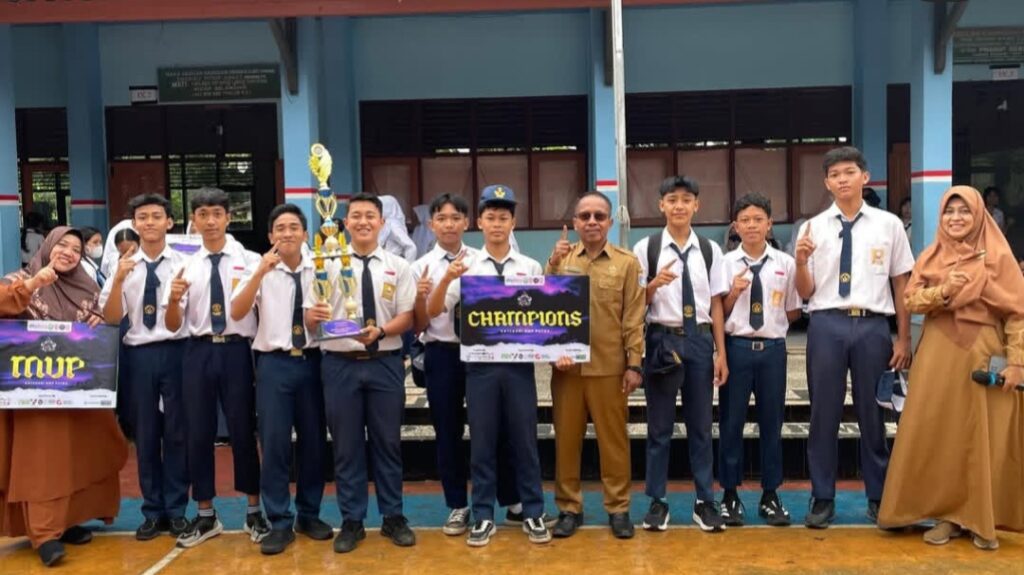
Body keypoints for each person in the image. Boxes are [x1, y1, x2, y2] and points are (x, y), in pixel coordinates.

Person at [878, 186, 1024, 550]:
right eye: (949, 211)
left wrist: (1017, 362)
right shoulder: (931, 256)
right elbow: (911, 300)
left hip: (984, 354)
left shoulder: (999, 258)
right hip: (938, 355)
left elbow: (1017, 314)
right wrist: (944, 291)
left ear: (979, 216)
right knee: (940, 432)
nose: (955, 218)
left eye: (964, 212)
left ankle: (980, 517)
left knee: (983, 435)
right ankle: (946, 515)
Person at [794, 146, 914, 529]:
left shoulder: (889, 225)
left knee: (873, 413)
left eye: (849, 172)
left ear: (865, 176)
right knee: (823, 414)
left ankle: (879, 496)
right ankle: (822, 497)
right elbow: (805, 291)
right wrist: (800, 261)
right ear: (826, 183)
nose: (842, 179)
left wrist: (904, 339)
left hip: (873, 326)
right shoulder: (812, 228)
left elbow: (901, 283)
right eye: (835, 174)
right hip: (826, 324)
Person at [426, 184, 552, 547]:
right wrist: (447, 279)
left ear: (514, 222)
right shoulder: (465, 267)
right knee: (481, 443)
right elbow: (434, 310)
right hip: (479, 368)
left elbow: (544, 320)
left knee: (525, 441)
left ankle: (533, 511)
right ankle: (482, 515)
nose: (497, 224)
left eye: (504, 217)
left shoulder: (530, 266)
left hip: (519, 368)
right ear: (479, 222)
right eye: (491, 217)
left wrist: (558, 348)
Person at [0, 226, 128, 567]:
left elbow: (106, 319)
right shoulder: (20, 279)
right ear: (48, 248)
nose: (68, 253)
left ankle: (68, 521)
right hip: (36, 394)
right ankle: (44, 534)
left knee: (83, 454)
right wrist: (33, 285)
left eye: (76, 249)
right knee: (43, 462)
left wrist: (97, 321)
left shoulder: (87, 287)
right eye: (62, 245)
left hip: (79, 391)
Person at [305, 193, 417, 553]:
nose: (363, 221)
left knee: (388, 443)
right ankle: (352, 521)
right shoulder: (324, 264)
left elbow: (407, 316)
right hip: (340, 364)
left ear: (382, 223)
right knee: (346, 446)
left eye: (370, 215)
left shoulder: (398, 266)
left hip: (385, 362)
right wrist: (314, 317)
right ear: (345, 223)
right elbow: (310, 317)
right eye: (356, 215)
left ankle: (393, 517)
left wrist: (381, 331)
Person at [410, 193, 525, 536]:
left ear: (466, 223)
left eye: (455, 218)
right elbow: (419, 324)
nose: (448, 224)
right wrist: (424, 294)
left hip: (484, 355)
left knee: (495, 428)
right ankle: (458, 505)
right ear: (431, 224)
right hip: (442, 354)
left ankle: (512, 500)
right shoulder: (419, 267)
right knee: (448, 431)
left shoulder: (481, 260)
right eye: (441, 218)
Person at [164, 187, 269, 548]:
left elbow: (254, 308)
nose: (210, 221)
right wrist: (173, 300)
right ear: (193, 220)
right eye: (203, 214)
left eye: (217, 214)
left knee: (243, 430)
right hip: (197, 351)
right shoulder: (183, 265)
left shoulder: (250, 260)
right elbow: (173, 323)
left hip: (237, 350)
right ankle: (206, 513)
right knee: (198, 432)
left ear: (228, 218)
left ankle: (254, 510)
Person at [231, 204, 332, 555]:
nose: (287, 233)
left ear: (305, 234)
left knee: (314, 442)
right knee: (274, 443)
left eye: (293, 227)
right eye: (280, 228)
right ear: (270, 235)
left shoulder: (323, 268)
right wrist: (259, 273)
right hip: (274, 364)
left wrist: (320, 319)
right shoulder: (258, 269)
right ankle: (278, 520)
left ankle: (309, 514)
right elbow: (237, 311)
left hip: (313, 362)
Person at [633, 175, 729, 533]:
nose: (679, 206)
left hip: (700, 342)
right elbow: (635, 302)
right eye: (672, 199)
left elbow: (716, 304)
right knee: (659, 427)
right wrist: (652, 286)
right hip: (663, 341)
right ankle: (657, 501)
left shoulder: (710, 250)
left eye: (686, 199)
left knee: (701, 426)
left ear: (696, 205)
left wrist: (720, 353)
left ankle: (705, 501)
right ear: (661, 205)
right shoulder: (647, 248)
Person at [546, 191, 644, 539]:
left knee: (613, 442)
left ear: (610, 222)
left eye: (599, 216)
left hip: (609, 368)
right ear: (574, 223)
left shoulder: (627, 263)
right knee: (566, 441)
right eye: (584, 216)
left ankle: (618, 508)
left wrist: (634, 363)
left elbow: (633, 317)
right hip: (567, 370)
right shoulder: (560, 260)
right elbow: (544, 312)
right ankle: (568, 508)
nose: (591, 222)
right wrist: (552, 265)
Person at [100, 194, 190, 542]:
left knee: (177, 432)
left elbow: (185, 319)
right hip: (138, 356)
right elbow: (111, 318)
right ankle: (153, 511)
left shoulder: (184, 263)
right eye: (142, 217)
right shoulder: (123, 266)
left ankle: (177, 510)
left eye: (156, 216)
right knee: (146, 434)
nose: (149, 222)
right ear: (134, 224)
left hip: (177, 352)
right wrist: (118, 281)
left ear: (169, 222)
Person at [718, 193, 802, 527]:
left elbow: (793, 311)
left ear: (769, 224)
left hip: (772, 351)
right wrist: (734, 293)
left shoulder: (786, 263)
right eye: (745, 220)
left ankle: (770, 494)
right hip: (736, 348)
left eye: (758, 219)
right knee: (731, 423)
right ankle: (729, 494)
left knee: (772, 423)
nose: (751, 225)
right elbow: (718, 313)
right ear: (735, 226)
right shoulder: (725, 263)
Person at [379, 195, 418, 262]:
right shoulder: (386, 223)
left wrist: (408, 266)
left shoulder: (393, 225)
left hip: (393, 263)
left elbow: (411, 247)